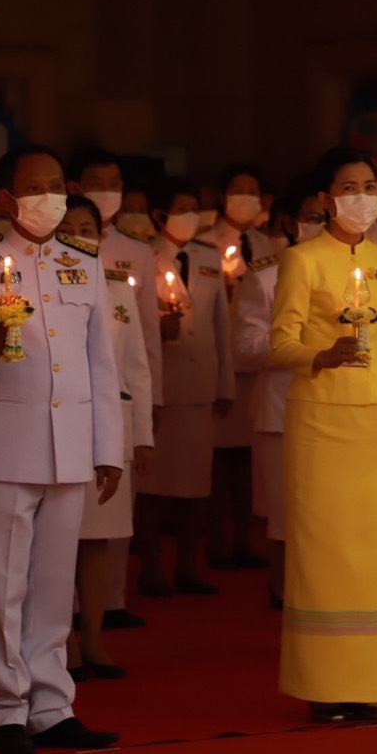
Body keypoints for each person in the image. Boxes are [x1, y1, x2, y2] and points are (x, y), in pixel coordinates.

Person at [0, 143, 123, 754]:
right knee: (6, 582)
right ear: (6, 199)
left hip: (70, 444)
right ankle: (5, 709)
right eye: (35, 187)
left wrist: (107, 447)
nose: (50, 198)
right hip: (8, 443)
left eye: (57, 184)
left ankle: (53, 706)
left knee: (51, 582)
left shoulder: (84, 262)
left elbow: (100, 360)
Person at [271, 146, 377, 725]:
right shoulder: (302, 260)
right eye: (349, 187)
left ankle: (365, 682)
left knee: (376, 555)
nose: (361, 196)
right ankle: (323, 685)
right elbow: (279, 344)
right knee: (324, 550)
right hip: (322, 420)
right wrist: (321, 355)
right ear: (328, 198)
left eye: (370, 185)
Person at [56, 195, 154, 680]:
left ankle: (93, 636)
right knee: (60, 540)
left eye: (87, 227)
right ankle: (62, 641)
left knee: (99, 541)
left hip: (109, 425)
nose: (78, 234)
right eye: (67, 226)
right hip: (58, 423)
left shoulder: (117, 288)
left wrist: (144, 436)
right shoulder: (39, 285)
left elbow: (136, 363)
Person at [136, 178, 234, 597]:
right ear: (160, 216)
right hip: (160, 385)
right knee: (152, 486)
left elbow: (221, 326)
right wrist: (157, 328)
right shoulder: (142, 255)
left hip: (198, 385)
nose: (191, 215)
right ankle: (152, 567)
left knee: (196, 484)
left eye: (195, 207)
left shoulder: (207, 256)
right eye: (181, 208)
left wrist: (225, 382)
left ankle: (189, 566)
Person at [236, 184, 320, 609]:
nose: (321, 224)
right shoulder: (266, 273)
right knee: (286, 511)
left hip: (335, 405)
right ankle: (284, 589)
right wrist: (298, 345)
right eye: (313, 216)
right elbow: (247, 345)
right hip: (281, 406)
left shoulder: (351, 270)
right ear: (290, 223)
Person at [209, 165, 275, 571]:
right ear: (222, 197)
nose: (246, 198)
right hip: (226, 357)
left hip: (263, 363)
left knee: (251, 460)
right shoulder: (205, 242)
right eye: (238, 190)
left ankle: (247, 536)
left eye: (253, 191)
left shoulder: (270, 245)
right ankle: (217, 536)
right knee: (220, 456)